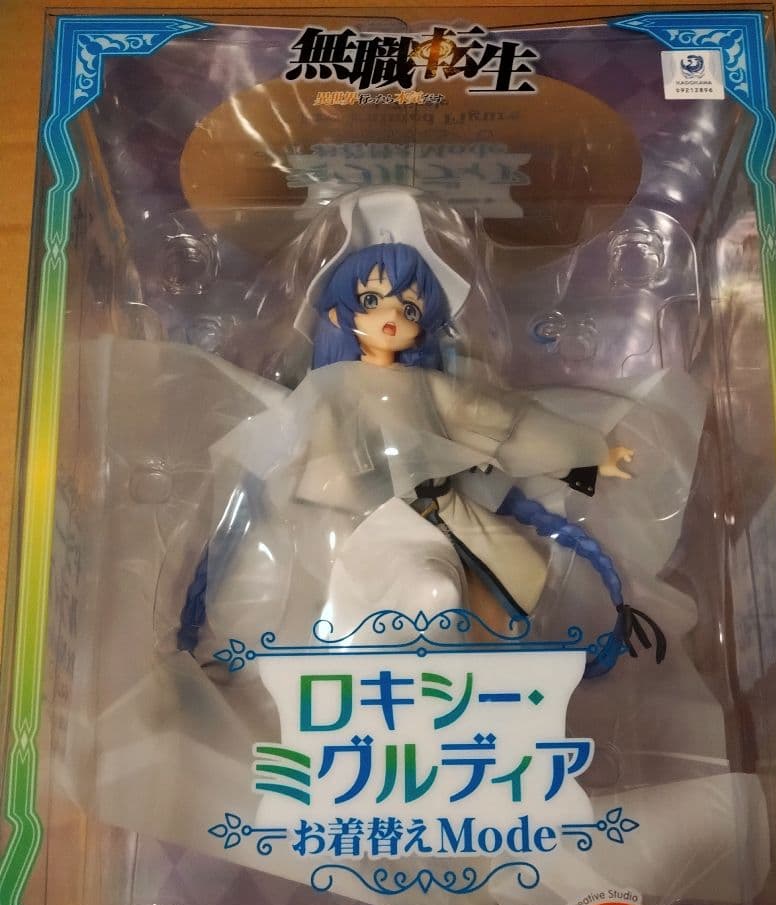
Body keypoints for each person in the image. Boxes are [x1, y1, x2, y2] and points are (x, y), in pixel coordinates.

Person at [180, 187, 664, 674]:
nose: (392, 315)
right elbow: (306, 466)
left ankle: (474, 677)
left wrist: (587, 455)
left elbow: (507, 426)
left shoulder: (433, 390)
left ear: (424, 323)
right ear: (339, 314)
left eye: (409, 308)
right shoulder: (326, 392)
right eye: (372, 301)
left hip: (437, 515)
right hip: (355, 531)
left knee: (495, 596)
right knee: (399, 599)